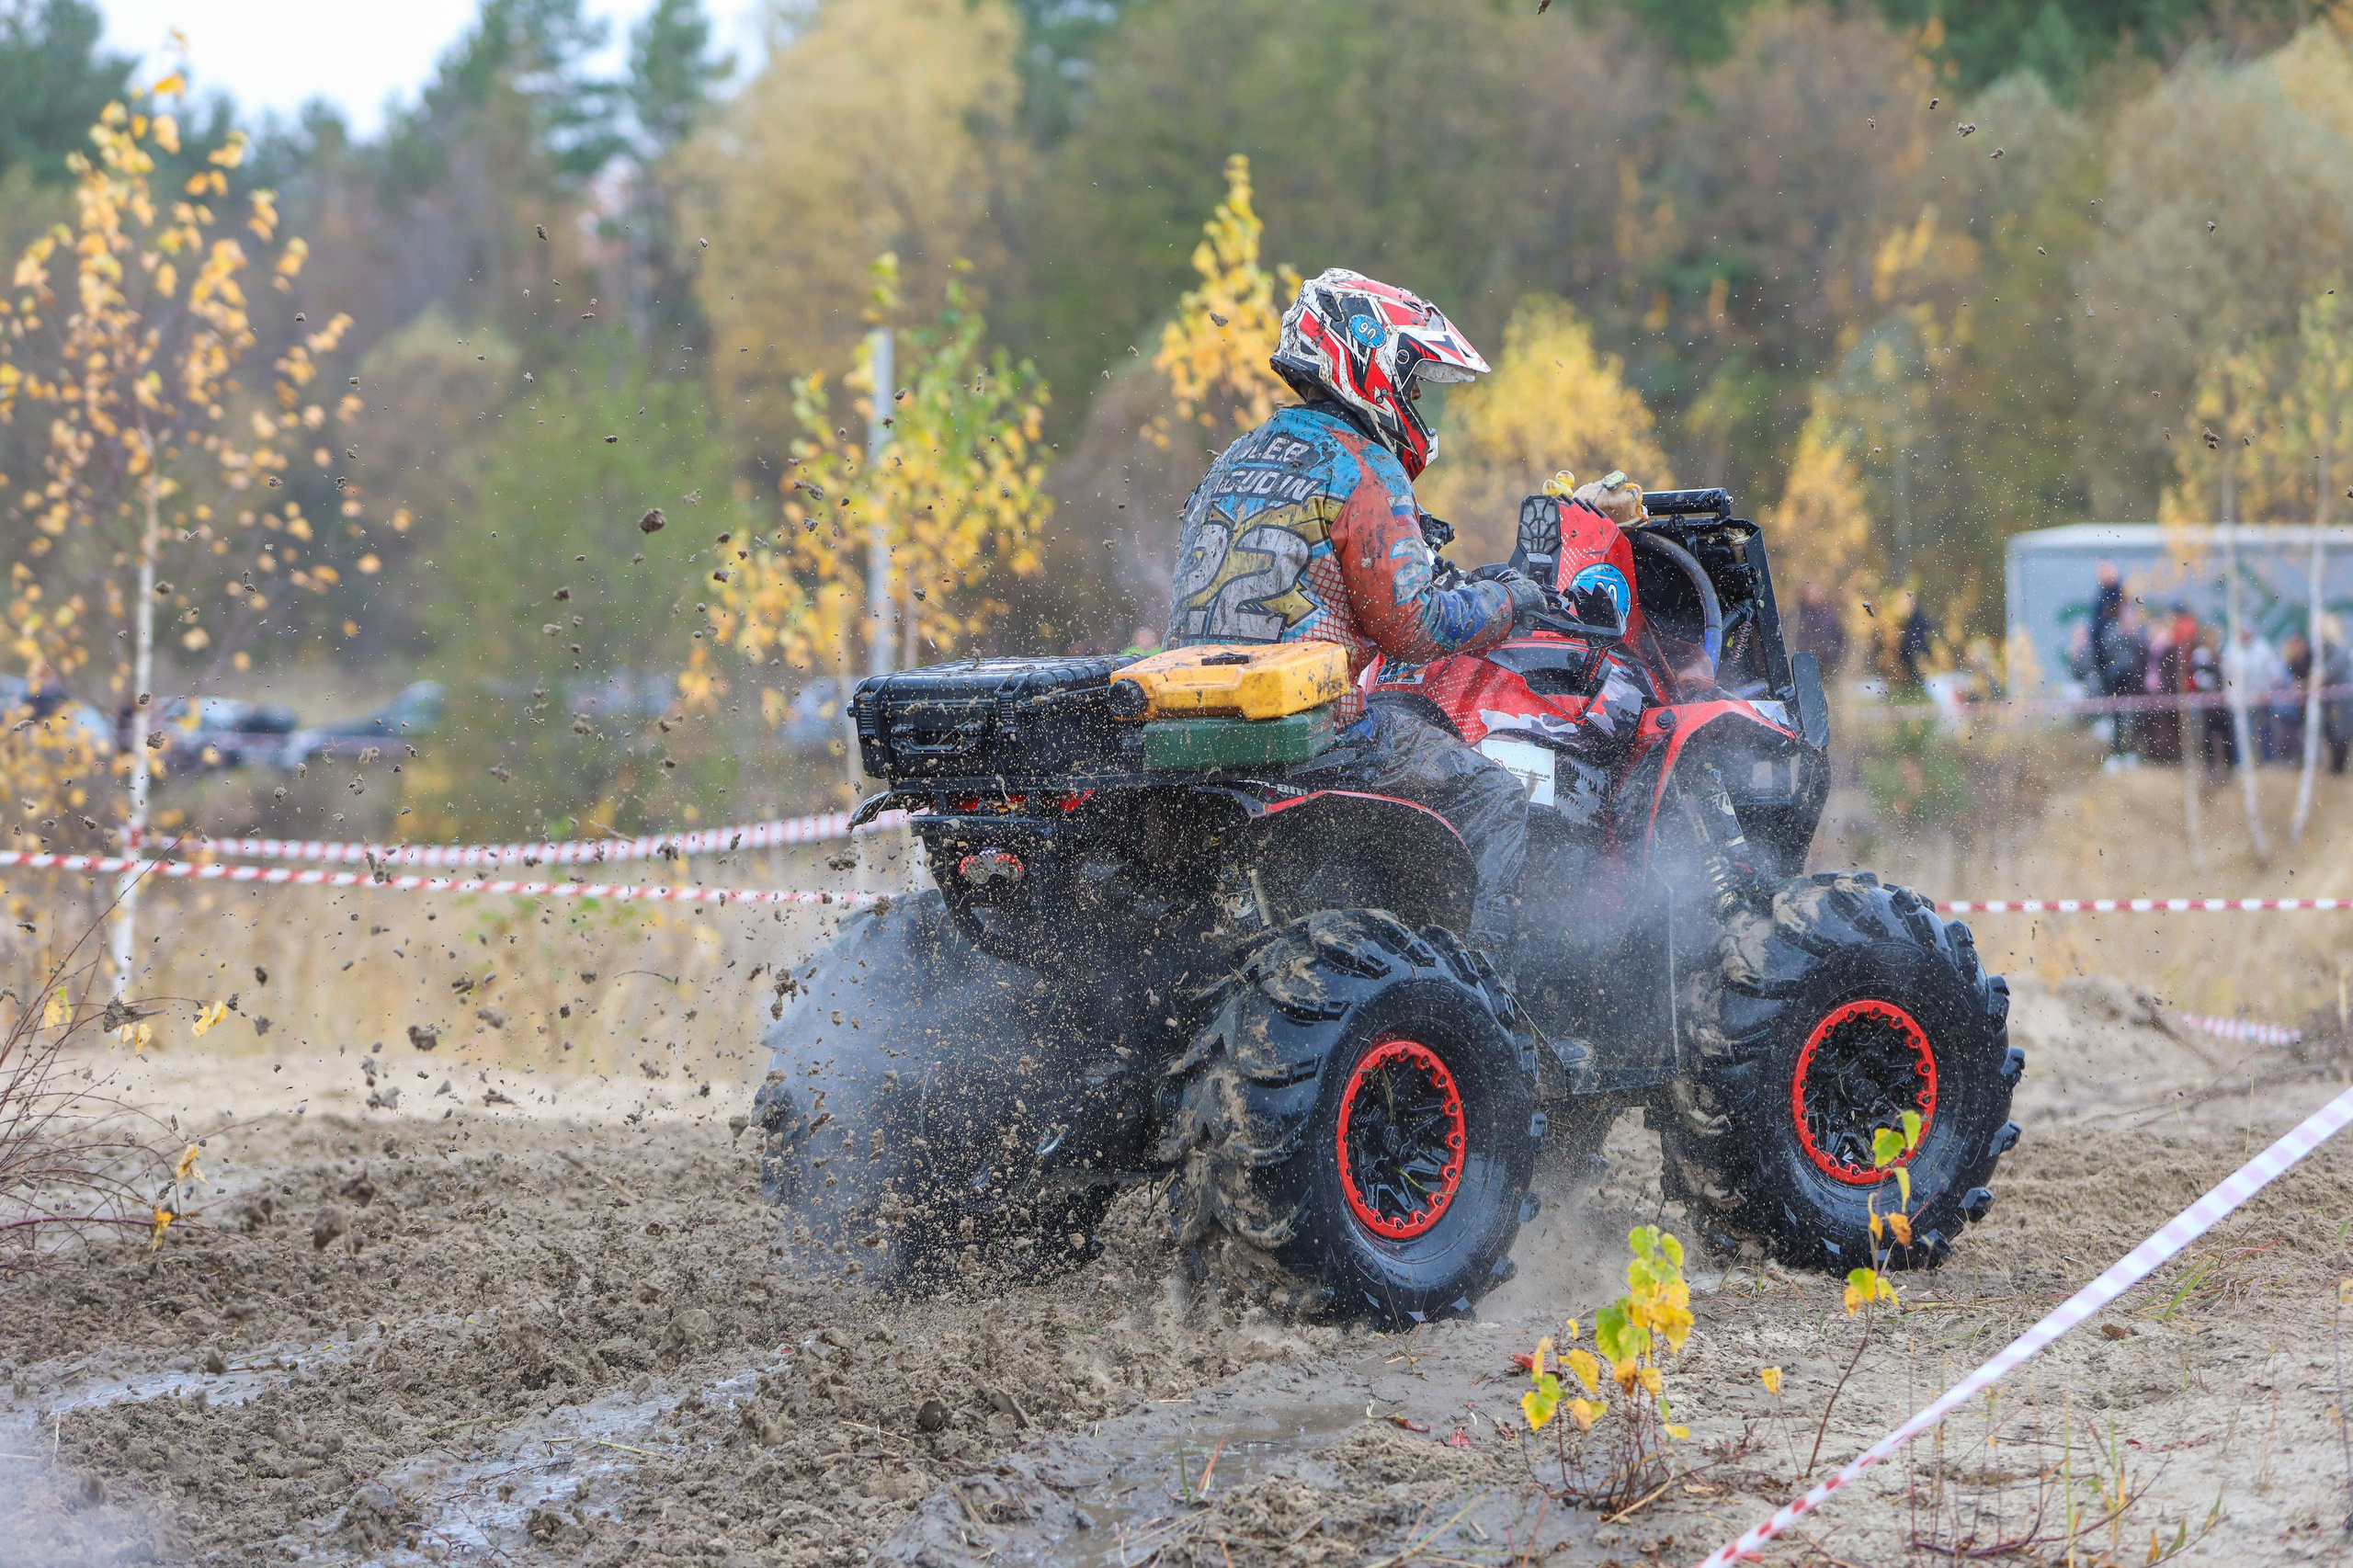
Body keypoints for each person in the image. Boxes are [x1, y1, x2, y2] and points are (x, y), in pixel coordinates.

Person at [1165, 267, 1548, 979]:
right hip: (1313, 734)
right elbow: (1415, 629)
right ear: (1371, 362)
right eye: (1415, 380)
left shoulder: (1232, 459)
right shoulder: (1362, 464)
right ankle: (1487, 1000)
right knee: (1493, 798)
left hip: (1196, 724)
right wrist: (1513, 600)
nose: (1416, 401)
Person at [1793, 582, 1848, 676]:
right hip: (1803, 663)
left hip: (1827, 664)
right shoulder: (1797, 614)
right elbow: (1794, 638)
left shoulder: (1828, 614)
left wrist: (1834, 658)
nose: (1811, 594)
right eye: (1809, 592)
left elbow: (1838, 637)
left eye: (1814, 591)